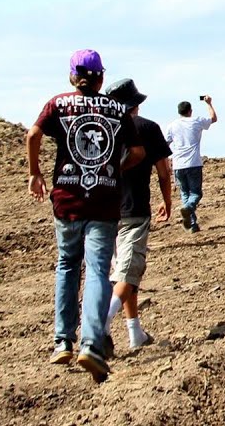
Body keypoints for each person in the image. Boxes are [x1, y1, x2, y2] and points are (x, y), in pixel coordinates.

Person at [26, 50, 144, 383]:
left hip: (66, 198)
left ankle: (62, 340)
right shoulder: (118, 110)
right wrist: (116, 169)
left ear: (72, 76)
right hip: (104, 200)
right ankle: (91, 343)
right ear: (101, 78)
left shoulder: (58, 104)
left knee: (66, 264)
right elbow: (136, 152)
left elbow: (33, 135)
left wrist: (35, 173)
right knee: (97, 270)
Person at [103, 78, 172, 354]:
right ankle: (101, 323)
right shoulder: (147, 128)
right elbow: (164, 172)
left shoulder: (102, 127)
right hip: (134, 210)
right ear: (135, 105)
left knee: (122, 271)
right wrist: (167, 202)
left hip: (105, 210)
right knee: (129, 273)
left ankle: (135, 333)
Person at [165, 95, 217, 232]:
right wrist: (209, 103)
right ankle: (188, 209)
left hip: (178, 164)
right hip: (193, 163)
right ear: (190, 111)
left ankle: (192, 224)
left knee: (184, 193)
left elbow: (165, 144)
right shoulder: (196, 121)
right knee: (196, 193)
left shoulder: (172, 126)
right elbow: (213, 119)